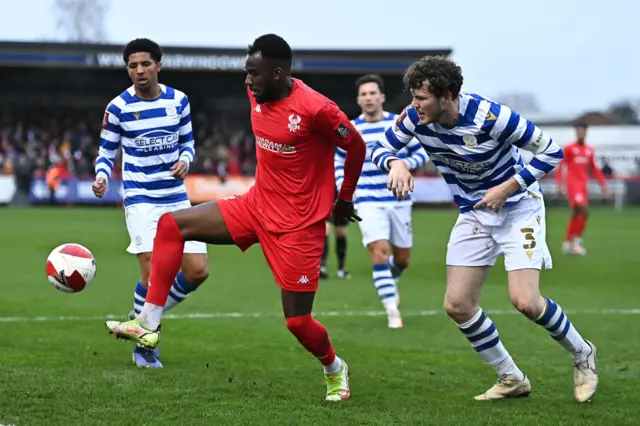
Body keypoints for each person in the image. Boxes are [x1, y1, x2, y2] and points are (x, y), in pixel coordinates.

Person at [104, 34, 366, 401]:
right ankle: (147, 324)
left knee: (298, 323)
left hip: (298, 226)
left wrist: (344, 199)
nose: (247, 81)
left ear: (277, 73)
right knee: (172, 225)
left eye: (254, 74)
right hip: (255, 206)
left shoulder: (317, 109)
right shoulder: (258, 92)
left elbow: (355, 144)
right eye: (246, 72)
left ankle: (334, 368)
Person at [371, 56, 598, 403]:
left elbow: (551, 151)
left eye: (422, 99)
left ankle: (583, 353)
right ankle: (511, 378)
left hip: (519, 206)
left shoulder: (491, 117)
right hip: (475, 213)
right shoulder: (414, 119)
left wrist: (509, 186)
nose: (414, 107)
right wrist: (396, 162)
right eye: (413, 98)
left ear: (448, 96)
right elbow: (381, 147)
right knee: (457, 304)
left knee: (526, 301)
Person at [93, 38, 209, 369]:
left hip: (175, 196)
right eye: (132, 66)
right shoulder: (117, 107)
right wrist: (102, 176)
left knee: (198, 271)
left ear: (158, 65)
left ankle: (141, 315)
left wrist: (186, 161)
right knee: (151, 265)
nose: (139, 71)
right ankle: (145, 346)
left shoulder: (179, 101)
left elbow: (188, 143)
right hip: (141, 196)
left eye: (145, 64)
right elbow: (106, 151)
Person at [335, 73, 428, 329]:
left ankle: (390, 279)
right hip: (367, 199)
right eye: (363, 94)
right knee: (379, 252)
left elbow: (421, 152)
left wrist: (404, 165)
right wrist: (346, 188)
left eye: (372, 93)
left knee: (402, 259)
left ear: (382, 97)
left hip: (398, 199)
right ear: (358, 99)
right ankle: (391, 310)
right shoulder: (350, 129)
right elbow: (338, 160)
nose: (368, 97)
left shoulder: (397, 125)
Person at [555, 122, 609, 255]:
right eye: (578, 131)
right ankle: (576, 242)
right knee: (584, 210)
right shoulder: (569, 148)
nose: (580, 133)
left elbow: (595, 169)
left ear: (585, 133)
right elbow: (561, 166)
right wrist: (560, 185)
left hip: (583, 186)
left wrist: (603, 185)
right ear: (576, 133)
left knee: (576, 213)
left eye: (582, 131)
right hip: (573, 185)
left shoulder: (589, 150)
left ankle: (567, 243)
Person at [319, 184, 351, 280]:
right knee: (326, 228)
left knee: (341, 232)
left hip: (341, 193)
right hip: (326, 192)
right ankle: (322, 265)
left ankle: (341, 267)